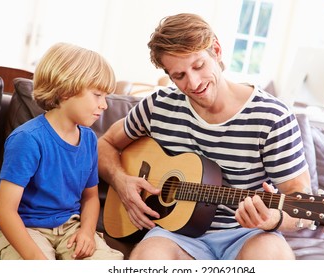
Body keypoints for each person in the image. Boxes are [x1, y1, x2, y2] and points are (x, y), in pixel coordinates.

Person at [98, 13, 313, 260]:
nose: (194, 83)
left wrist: (273, 218)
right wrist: (121, 181)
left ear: (217, 51)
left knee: (273, 258)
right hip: (175, 235)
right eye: (179, 76)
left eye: (198, 66)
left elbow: (302, 202)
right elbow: (105, 144)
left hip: (247, 235)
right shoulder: (157, 106)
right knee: (148, 259)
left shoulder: (272, 116)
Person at [0, 42, 124, 260]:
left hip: (69, 225)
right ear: (66, 90)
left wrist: (87, 232)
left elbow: (90, 198)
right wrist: (37, 259)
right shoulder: (28, 139)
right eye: (98, 95)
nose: (105, 105)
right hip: (23, 226)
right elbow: (5, 211)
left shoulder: (89, 139)